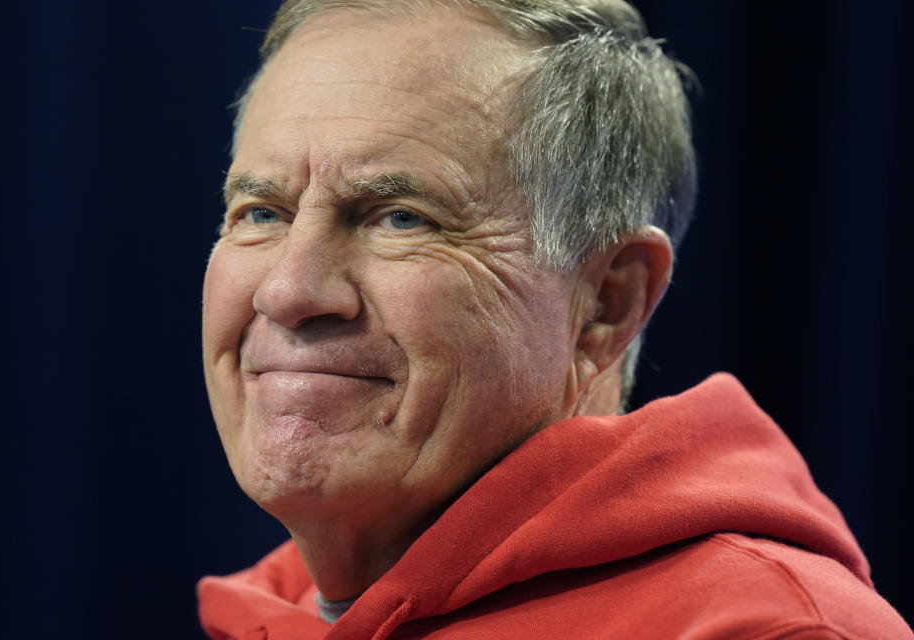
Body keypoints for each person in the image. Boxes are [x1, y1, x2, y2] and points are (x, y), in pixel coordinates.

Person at [197, 0, 912, 637]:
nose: (287, 291)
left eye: (401, 218)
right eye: (262, 212)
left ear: (606, 303)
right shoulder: (263, 615)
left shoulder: (764, 629)